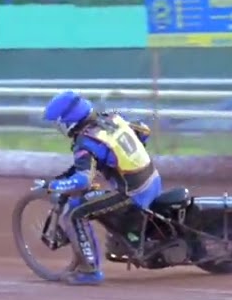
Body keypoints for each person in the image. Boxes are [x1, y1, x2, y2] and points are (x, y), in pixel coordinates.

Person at [41, 90, 162, 285]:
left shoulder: (85, 142)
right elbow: (143, 132)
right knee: (100, 198)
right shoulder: (112, 118)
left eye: (60, 123)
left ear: (69, 120)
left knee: (75, 213)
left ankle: (90, 271)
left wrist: (54, 186)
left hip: (132, 194)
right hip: (152, 180)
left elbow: (83, 181)